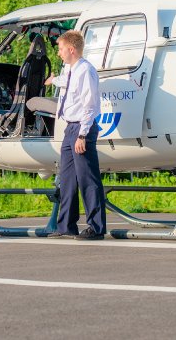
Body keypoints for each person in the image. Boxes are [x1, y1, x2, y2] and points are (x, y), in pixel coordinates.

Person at [44, 30, 106, 240]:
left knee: (87, 179)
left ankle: (96, 227)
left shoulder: (85, 71)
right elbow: (66, 82)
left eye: (61, 49)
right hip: (70, 128)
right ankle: (66, 226)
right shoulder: (71, 70)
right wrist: (53, 81)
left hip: (81, 128)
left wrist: (83, 135)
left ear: (71, 49)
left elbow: (90, 105)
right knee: (68, 178)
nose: (59, 53)